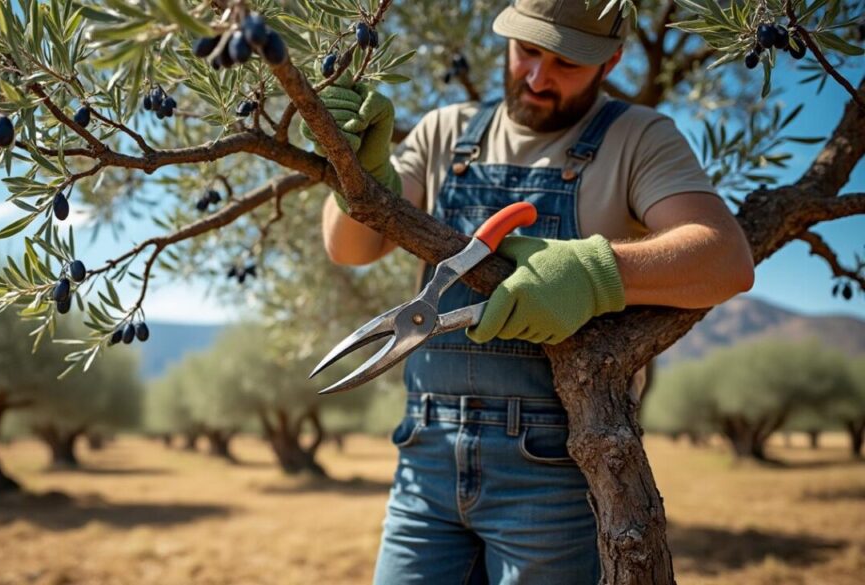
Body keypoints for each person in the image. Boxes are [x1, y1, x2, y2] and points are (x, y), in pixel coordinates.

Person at [309, 1, 755, 583]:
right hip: (424, 454)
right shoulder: (446, 131)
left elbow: (726, 258)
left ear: (612, 59)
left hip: (554, 466)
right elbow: (350, 249)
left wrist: (595, 272)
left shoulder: (640, 137)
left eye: (566, 63)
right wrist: (356, 178)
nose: (538, 78)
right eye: (527, 52)